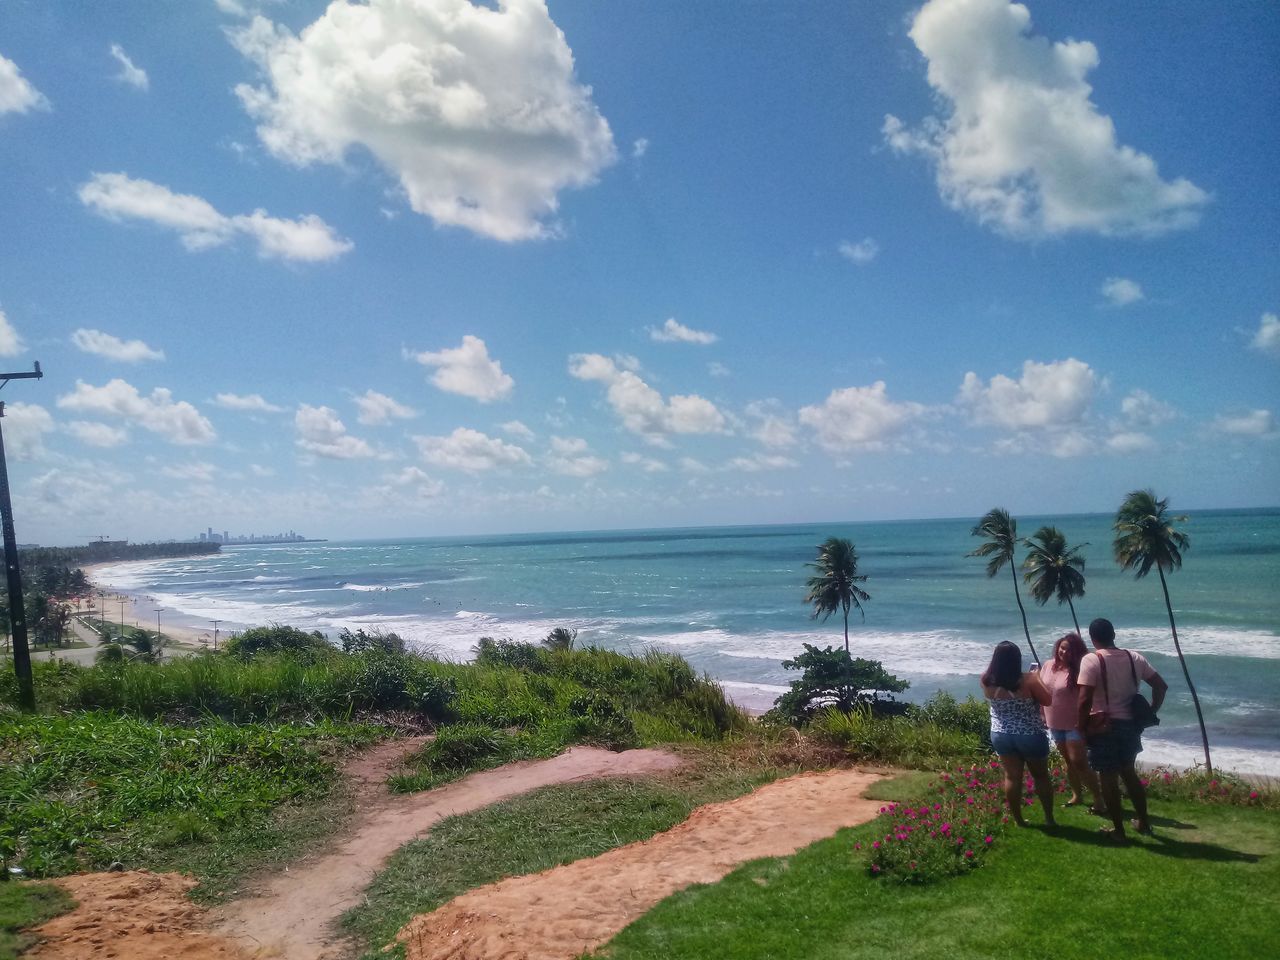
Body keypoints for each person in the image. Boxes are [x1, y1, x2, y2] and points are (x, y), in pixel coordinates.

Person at [1077, 617, 1169, 841]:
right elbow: (1160, 685)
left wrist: (1080, 729)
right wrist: (1152, 710)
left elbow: (1084, 699)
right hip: (1130, 725)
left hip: (1103, 727)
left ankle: (1118, 831)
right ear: (1114, 635)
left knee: (1107, 777)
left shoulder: (1091, 660)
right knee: (1129, 773)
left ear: (1092, 638)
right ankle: (1143, 823)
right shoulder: (1134, 657)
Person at [982, 640, 1056, 827]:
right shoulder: (1028, 680)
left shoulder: (986, 680)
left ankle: (1019, 820)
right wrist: (1037, 677)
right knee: (1040, 777)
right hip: (1029, 733)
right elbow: (1047, 700)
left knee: (1012, 777)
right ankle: (1049, 818)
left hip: (1001, 734)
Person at [1039, 632, 1102, 812]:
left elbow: (1089, 697)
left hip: (1075, 723)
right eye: (1062, 648)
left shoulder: (1081, 669)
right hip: (1054, 722)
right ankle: (1077, 795)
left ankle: (1099, 798)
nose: (1064, 652)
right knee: (1069, 761)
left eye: (1069, 650)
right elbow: (1043, 691)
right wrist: (1042, 714)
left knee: (1079, 761)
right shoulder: (1048, 665)